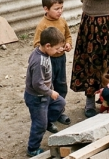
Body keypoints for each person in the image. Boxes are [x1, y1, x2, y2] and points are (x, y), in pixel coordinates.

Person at [24, 27, 68, 157]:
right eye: (56, 48)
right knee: (39, 125)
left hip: (45, 94)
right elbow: (37, 84)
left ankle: (47, 120)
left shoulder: (43, 52)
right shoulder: (39, 61)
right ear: (48, 45)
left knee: (60, 103)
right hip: (37, 97)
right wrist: (50, 92)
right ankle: (32, 149)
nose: (58, 51)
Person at [33, 0, 73, 125]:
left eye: (61, 8)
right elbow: (37, 44)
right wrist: (52, 51)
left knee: (61, 86)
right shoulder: (42, 26)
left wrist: (67, 44)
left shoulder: (62, 22)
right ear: (46, 9)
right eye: (56, 9)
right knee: (49, 87)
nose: (60, 11)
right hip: (48, 62)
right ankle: (47, 117)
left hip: (61, 60)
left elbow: (68, 35)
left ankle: (58, 111)